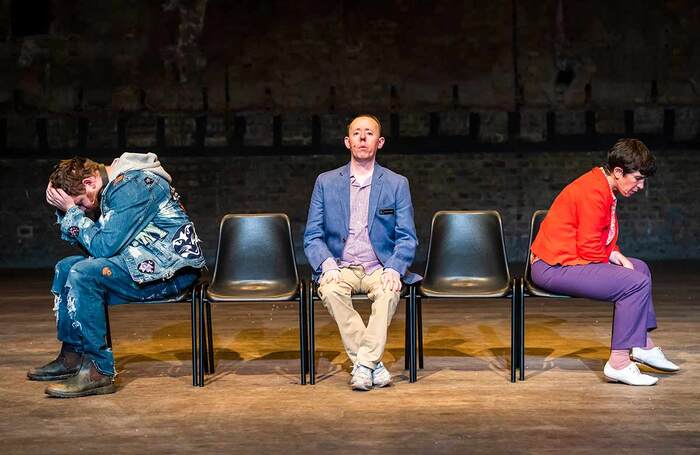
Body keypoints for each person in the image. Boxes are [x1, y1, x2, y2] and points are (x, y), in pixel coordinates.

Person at [28, 152, 205, 397]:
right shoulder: (114, 188)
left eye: (79, 202)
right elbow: (96, 245)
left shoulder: (134, 186)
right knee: (66, 267)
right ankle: (72, 356)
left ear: (90, 182)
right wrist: (68, 210)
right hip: (141, 262)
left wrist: (71, 212)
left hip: (171, 272)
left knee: (83, 273)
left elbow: (103, 247)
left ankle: (99, 371)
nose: (82, 208)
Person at [530, 138, 679, 386]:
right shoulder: (593, 191)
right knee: (635, 283)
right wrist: (610, 255)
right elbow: (590, 250)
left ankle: (641, 344)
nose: (641, 186)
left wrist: (613, 252)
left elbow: (599, 234)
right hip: (553, 266)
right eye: (638, 178)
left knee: (640, 268)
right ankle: (619, 363)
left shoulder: (602, 185)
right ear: (618, 172)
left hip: (570, 260)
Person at [304, 115, 419, 391]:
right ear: (348, 142)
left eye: (369, 133)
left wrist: (395, 267)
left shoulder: (396, 183)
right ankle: (372, 365)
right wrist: (327, 265)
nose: (362, 138)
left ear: (379, 142)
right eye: (357, 133)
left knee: (390, 292)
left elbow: (407, 237)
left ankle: (363, 365)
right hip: (340, 266)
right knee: (330, 291)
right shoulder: (326, 182)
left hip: (378, 267)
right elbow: (312, 236)